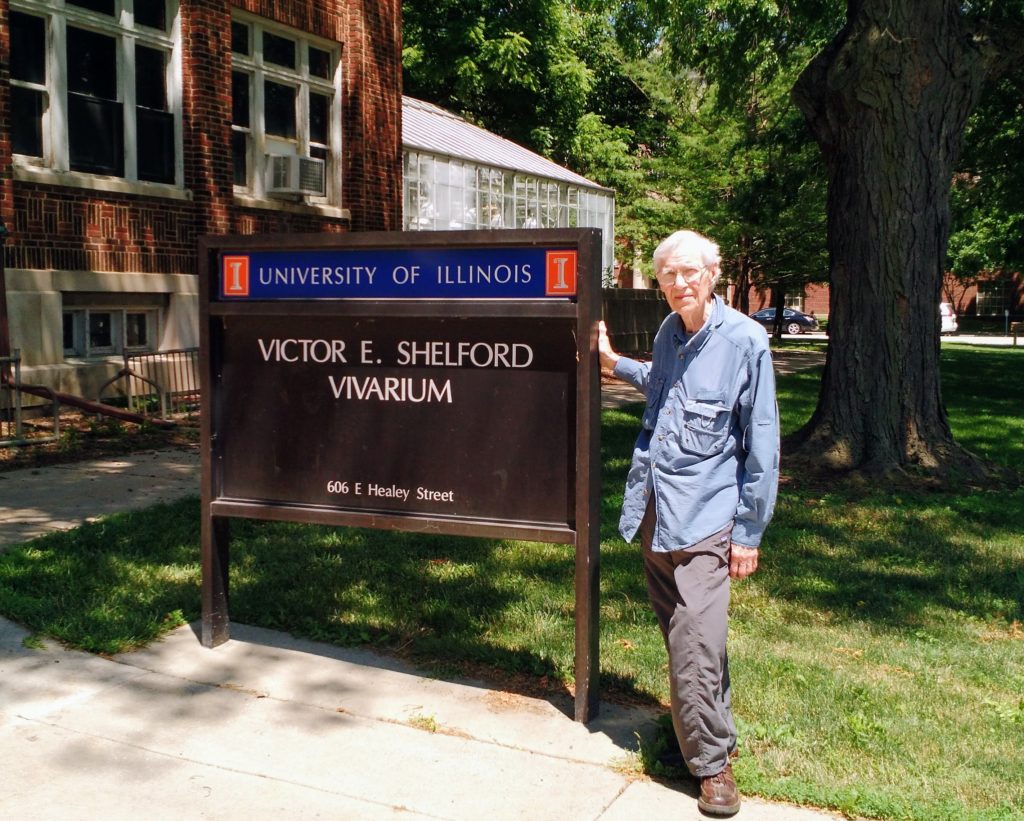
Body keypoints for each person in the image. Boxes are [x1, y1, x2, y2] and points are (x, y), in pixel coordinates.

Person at [598, 229, 779, 817]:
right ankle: (695, 735)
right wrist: (614, 364)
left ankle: (712, 767)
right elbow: (664, 388)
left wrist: (748, 533)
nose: (677, 284)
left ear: (712, 273)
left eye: (687, 272)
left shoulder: (746, 341)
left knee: (697, 642)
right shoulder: (669, 334)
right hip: (654, 513)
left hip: (706, 520)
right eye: (667, 275)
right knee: (688, 643)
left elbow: (763, 445)